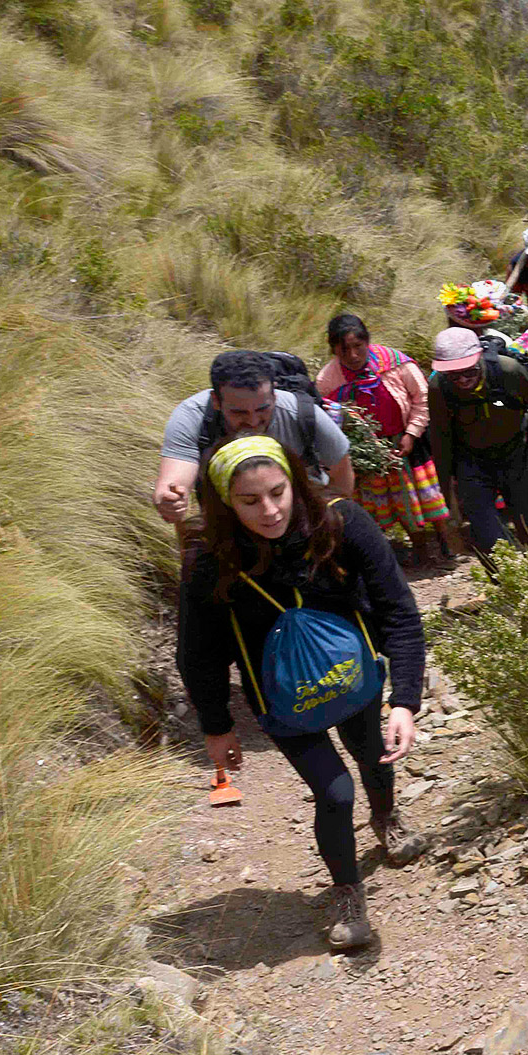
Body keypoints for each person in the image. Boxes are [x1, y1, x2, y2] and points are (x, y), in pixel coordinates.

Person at [175, 434, 427, 951]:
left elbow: (399, 610)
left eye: (277, 492)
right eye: (250, 501)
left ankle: (386, 818)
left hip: (352, 678)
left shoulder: (341, 523)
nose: (269, 511)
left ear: (294, 483)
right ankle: (346, 891)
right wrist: (216, 726)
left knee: (372, 754)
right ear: (225, 503)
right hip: (282, 701)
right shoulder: (211, 560)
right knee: (335, 793)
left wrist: (404, 700)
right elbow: (198, 652)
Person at [154, 351, 354, 539]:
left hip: (302, 521)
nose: (252, 421)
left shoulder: (302, 414)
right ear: (216, 401)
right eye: (239, 413)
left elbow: (342, 475)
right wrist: (171, 500)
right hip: (230, 529)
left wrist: (324, 527)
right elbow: (174, 482)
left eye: (263, 409)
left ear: (274, 396)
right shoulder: (192, 418)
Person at [315, 314, 455, 567]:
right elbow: (326, 417)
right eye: (344, 349)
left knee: (425, 497)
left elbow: (422, 398)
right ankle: (418, 550)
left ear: (368, 341)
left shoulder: (397, 363)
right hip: (368, 453)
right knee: (394, 503)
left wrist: (412, 433)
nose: (353, 355)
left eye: (358, 346)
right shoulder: (328, 380)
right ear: (333, 349)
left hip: (407, 443)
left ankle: (445, 545)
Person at [427, 326, 528, 555]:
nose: (462, 380)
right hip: (472, 463)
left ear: (479, 360)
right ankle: (506, 586)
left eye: (469, 372)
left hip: (516, 456)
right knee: (488, 539)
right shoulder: (439, 387)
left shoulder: (507, 371)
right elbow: (440, 438)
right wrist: (446, 494)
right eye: (454, 375)